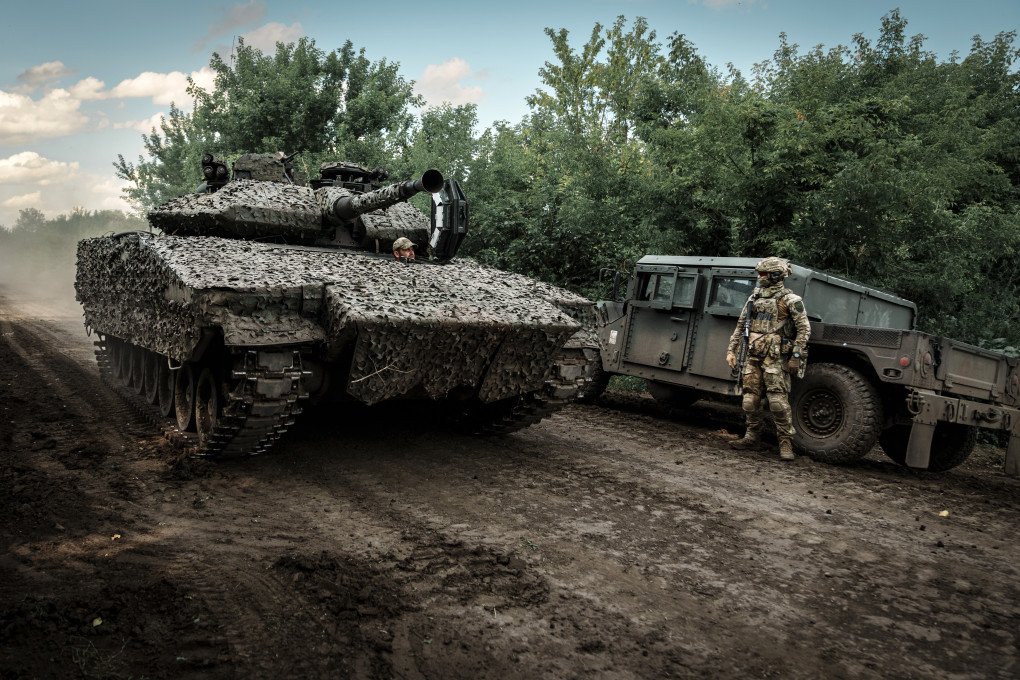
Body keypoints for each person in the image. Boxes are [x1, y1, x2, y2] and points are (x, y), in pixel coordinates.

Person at [725, 257, 811, 460]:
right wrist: (731, 350)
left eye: (763, 273)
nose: (759, 277)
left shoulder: (791, 300)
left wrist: (796, 356)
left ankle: (785, 443)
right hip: (753, 356)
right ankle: (751, 437)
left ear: (776, 275)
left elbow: (804, 329)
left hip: (776, 359)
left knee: (777, 403)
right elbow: (740, 326)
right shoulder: (753, 298)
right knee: (749, 400)